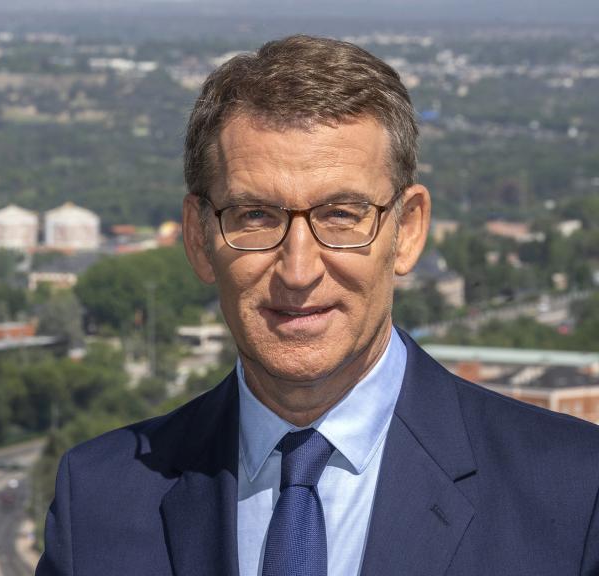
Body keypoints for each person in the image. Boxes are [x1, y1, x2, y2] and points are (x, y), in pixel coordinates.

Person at [36, 35, 599, 576]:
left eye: (341, 215)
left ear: (406, 232)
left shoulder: (575, 493)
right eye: (255, 215)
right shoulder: (99, 500)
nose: (299, 271)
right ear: (198, 237)